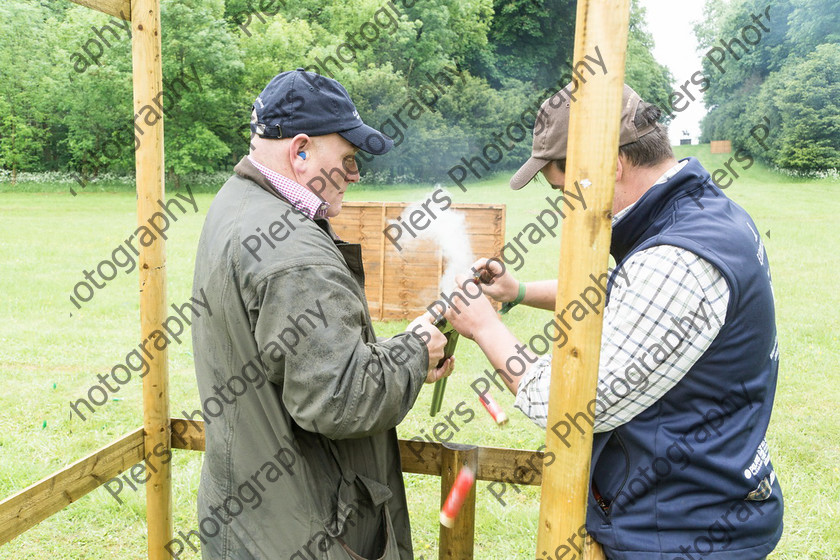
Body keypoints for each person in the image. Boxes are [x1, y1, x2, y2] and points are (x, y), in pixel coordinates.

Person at [444, 84, 783, 559]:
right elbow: (627, 295)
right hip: (698, 509)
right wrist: (516, 292)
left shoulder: (678, 260)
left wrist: (484, 326)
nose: (568, 209)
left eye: (566, 191)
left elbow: (568, 408)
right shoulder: (698, 219)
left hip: (676, 534)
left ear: (610, 166)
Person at [190, 68, 453, 560]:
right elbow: (339, 397)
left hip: (253, 517)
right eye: (348, 159)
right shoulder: (294, 251)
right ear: (301, 150)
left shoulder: (238, 203)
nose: (355, 174)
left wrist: (400, 350)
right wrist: (416, 352)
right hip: (303, 530)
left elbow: (297, 357)